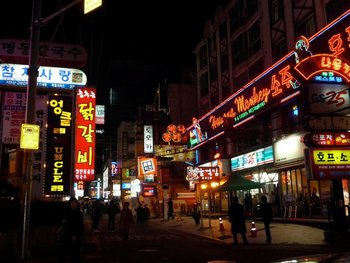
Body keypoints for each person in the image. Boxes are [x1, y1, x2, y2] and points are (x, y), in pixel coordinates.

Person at [58, 197, 84, 263]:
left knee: (75, 251)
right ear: (70, 204)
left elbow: (80, 226)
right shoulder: (67, 212)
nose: (73, 204)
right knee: (64, 250)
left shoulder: (79, 214)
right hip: (67, 234)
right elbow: (64, 222)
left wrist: (75, 235)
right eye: (72, 203)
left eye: (75, 203)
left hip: (75, 235)